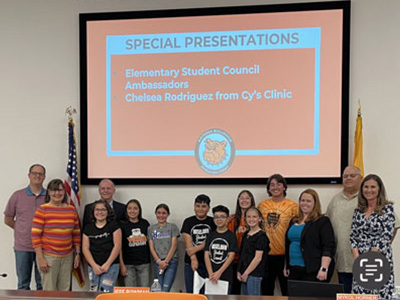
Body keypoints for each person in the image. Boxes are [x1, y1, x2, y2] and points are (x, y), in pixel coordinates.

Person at [350, 174, 395, 299]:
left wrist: (371, 258)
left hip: (379, 259)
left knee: (379, 294)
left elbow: (386, 235)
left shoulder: (387, 209)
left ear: (379, 189)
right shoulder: (358, 211)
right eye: (366, 187)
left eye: (373, 187)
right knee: (361, 295)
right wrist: (357, 258)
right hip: (360, 260)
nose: (369, 190)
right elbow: (353, 236)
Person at [31, 179, 81, 291]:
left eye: (60, 190)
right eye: (54, 190)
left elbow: (76, 233)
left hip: (68, 257)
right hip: (49, 257)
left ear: (64, 192)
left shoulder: (71, 210)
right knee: (49, 292)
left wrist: (77, 253)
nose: (57, 193)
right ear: (48, 192)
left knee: (65, 291)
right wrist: (40, 258)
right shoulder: (42, 210)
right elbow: (35, 235)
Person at [3, 164, 46, 290]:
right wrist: (22, 229)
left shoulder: (49, 196)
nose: (37, 176)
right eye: (34, 173)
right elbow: (8, 219)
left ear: (44, 177)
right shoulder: (17, 195)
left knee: (43, 284)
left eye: (40, 174)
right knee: (23, 284)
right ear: (29, 175)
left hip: (44, 247)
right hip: (22, 247)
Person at [257, 174, 298, 296]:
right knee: (266, 291)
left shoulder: (293, 206)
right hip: (266, 255)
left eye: (279, 184)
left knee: (287, 291)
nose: (275, 187)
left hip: (285, 255)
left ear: (284, 187)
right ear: (268, 189)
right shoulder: (262, 206)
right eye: (272, 185)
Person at [284, 189, 335, 282]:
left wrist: (324, 268)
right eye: (302, 200)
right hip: (293, 268)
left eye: (308, 201)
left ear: (315, 203)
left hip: (312, 269)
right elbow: (288, 244)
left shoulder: (322, 221)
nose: (305, 203)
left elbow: (328, 247)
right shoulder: (294, 220)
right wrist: (286, 265)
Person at [326, 166, 363, 293]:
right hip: (342, 261)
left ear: (361, 178)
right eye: (345, 176)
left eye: (352, 175)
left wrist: (379, 249)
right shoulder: (335, 200)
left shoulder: (368, 198)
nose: (348, 178)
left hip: (364, 262)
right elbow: (326, 225)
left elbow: (392, 225)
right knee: (345, 295)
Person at [82, 200, 122, 292]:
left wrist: (107, 265)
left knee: (105, 291)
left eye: (103, 210)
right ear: (93, 212)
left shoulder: (114, 226)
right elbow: (85, 248)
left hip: (111, 266)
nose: (100, 212)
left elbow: (117, 246)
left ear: (108, 212)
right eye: (97, 210)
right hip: (93, 266)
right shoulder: (88, 228)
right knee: (94, 291)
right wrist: (94, 266)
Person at [180, 194, 215, 293]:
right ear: (194, 207)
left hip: (208, 262)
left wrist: (195, 249)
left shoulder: (212, 222)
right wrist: (193, 258)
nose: (200, 209)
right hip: (191, 261)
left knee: (206, 292)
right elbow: (188, 242)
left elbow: (212, 241)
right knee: (192, 291)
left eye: (204, 206)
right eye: (198, 206)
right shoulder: (188, 221)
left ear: (208, 208)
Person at [205, 205, 238, 294]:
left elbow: (231, 256)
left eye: (222, 217)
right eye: (216, 217)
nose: (219, 219)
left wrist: (219, 272)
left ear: (227, 219)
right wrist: (211, 273)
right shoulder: (210, 235)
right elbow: (206, 255)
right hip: (211, 276)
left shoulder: (231, 236)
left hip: (225, 275)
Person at [227, 190, 255, 295]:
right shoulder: (232, 219)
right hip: (235, 260)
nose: (244, 200)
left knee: (250, 292)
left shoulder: (256, 219)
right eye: (241, 198)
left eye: (247, 198)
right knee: (235, 290)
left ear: (252, 201)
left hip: (250, 261)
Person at [237, 207, 269, 295]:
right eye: (249, 217)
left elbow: (258, 258)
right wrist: (239, 270)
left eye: (254, 217)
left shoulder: (261, 237)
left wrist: (247, 273)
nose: (251, 219)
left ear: (260, 219)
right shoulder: (245, 235)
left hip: (254, 274)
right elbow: (242, 254)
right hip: (244, 273)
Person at [148, 203, 180, 292]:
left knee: (165, 289)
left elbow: (174, 246)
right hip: (158, 262)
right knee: (158, 290)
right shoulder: (151, 229)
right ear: (155, 213)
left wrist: (165, 262)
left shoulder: (172, 227)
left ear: (168, 214)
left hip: (171, 261)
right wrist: (159, 262)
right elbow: (151, 247)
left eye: (164, 213)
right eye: (159, 213)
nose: (161, 215)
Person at [119, 199, 151, 287]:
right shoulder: (122, 225)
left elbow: (151, 241)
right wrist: (122, 265)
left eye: (135, 208)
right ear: (126, 210)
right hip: (128, 264)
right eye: (129, 208)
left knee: (144, 291)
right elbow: (119, 247)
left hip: (144, 263)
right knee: (130, 292)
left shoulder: (145, 223)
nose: (132, 211)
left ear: (139, 210)